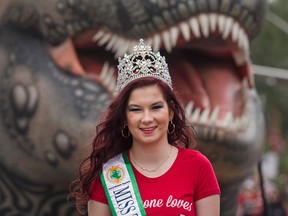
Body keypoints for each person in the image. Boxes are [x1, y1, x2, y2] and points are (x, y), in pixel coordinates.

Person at [70, 39, 220, 216]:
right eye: (136, 109)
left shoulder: (198, 167)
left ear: (171, 112)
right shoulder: (111, 175)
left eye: (156, 107)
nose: (147, 118)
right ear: (124, 118)